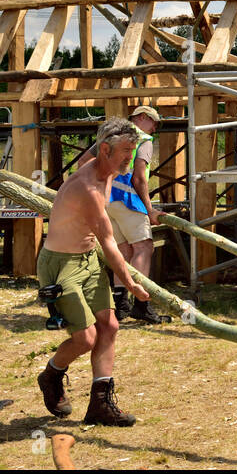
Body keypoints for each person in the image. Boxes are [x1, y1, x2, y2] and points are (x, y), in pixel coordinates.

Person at [36, 117, 151, 426]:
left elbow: (100, 241)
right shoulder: (87, 187)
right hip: (61, 266)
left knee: (109, 326)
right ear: (105, 149)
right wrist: (130, 284)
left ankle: (100, 404)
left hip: (87, 260)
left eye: (133, 149)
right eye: (126, 150)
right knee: (85, 339)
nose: (131, 156)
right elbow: (109, 241)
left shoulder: (108, 170)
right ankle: (51, 375)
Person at [76, 105, 167, 324]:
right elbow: (139, 178)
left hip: (107, 201)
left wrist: (97, 190)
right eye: (154, 123)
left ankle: (120, 304)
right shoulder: (142, 139)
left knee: (123, 251)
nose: (154, 129)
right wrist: (150, 209)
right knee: (144, 247)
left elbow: (82, 163)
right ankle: (141, 305)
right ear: (142, 118)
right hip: (128, 201)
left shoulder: (111, 135)